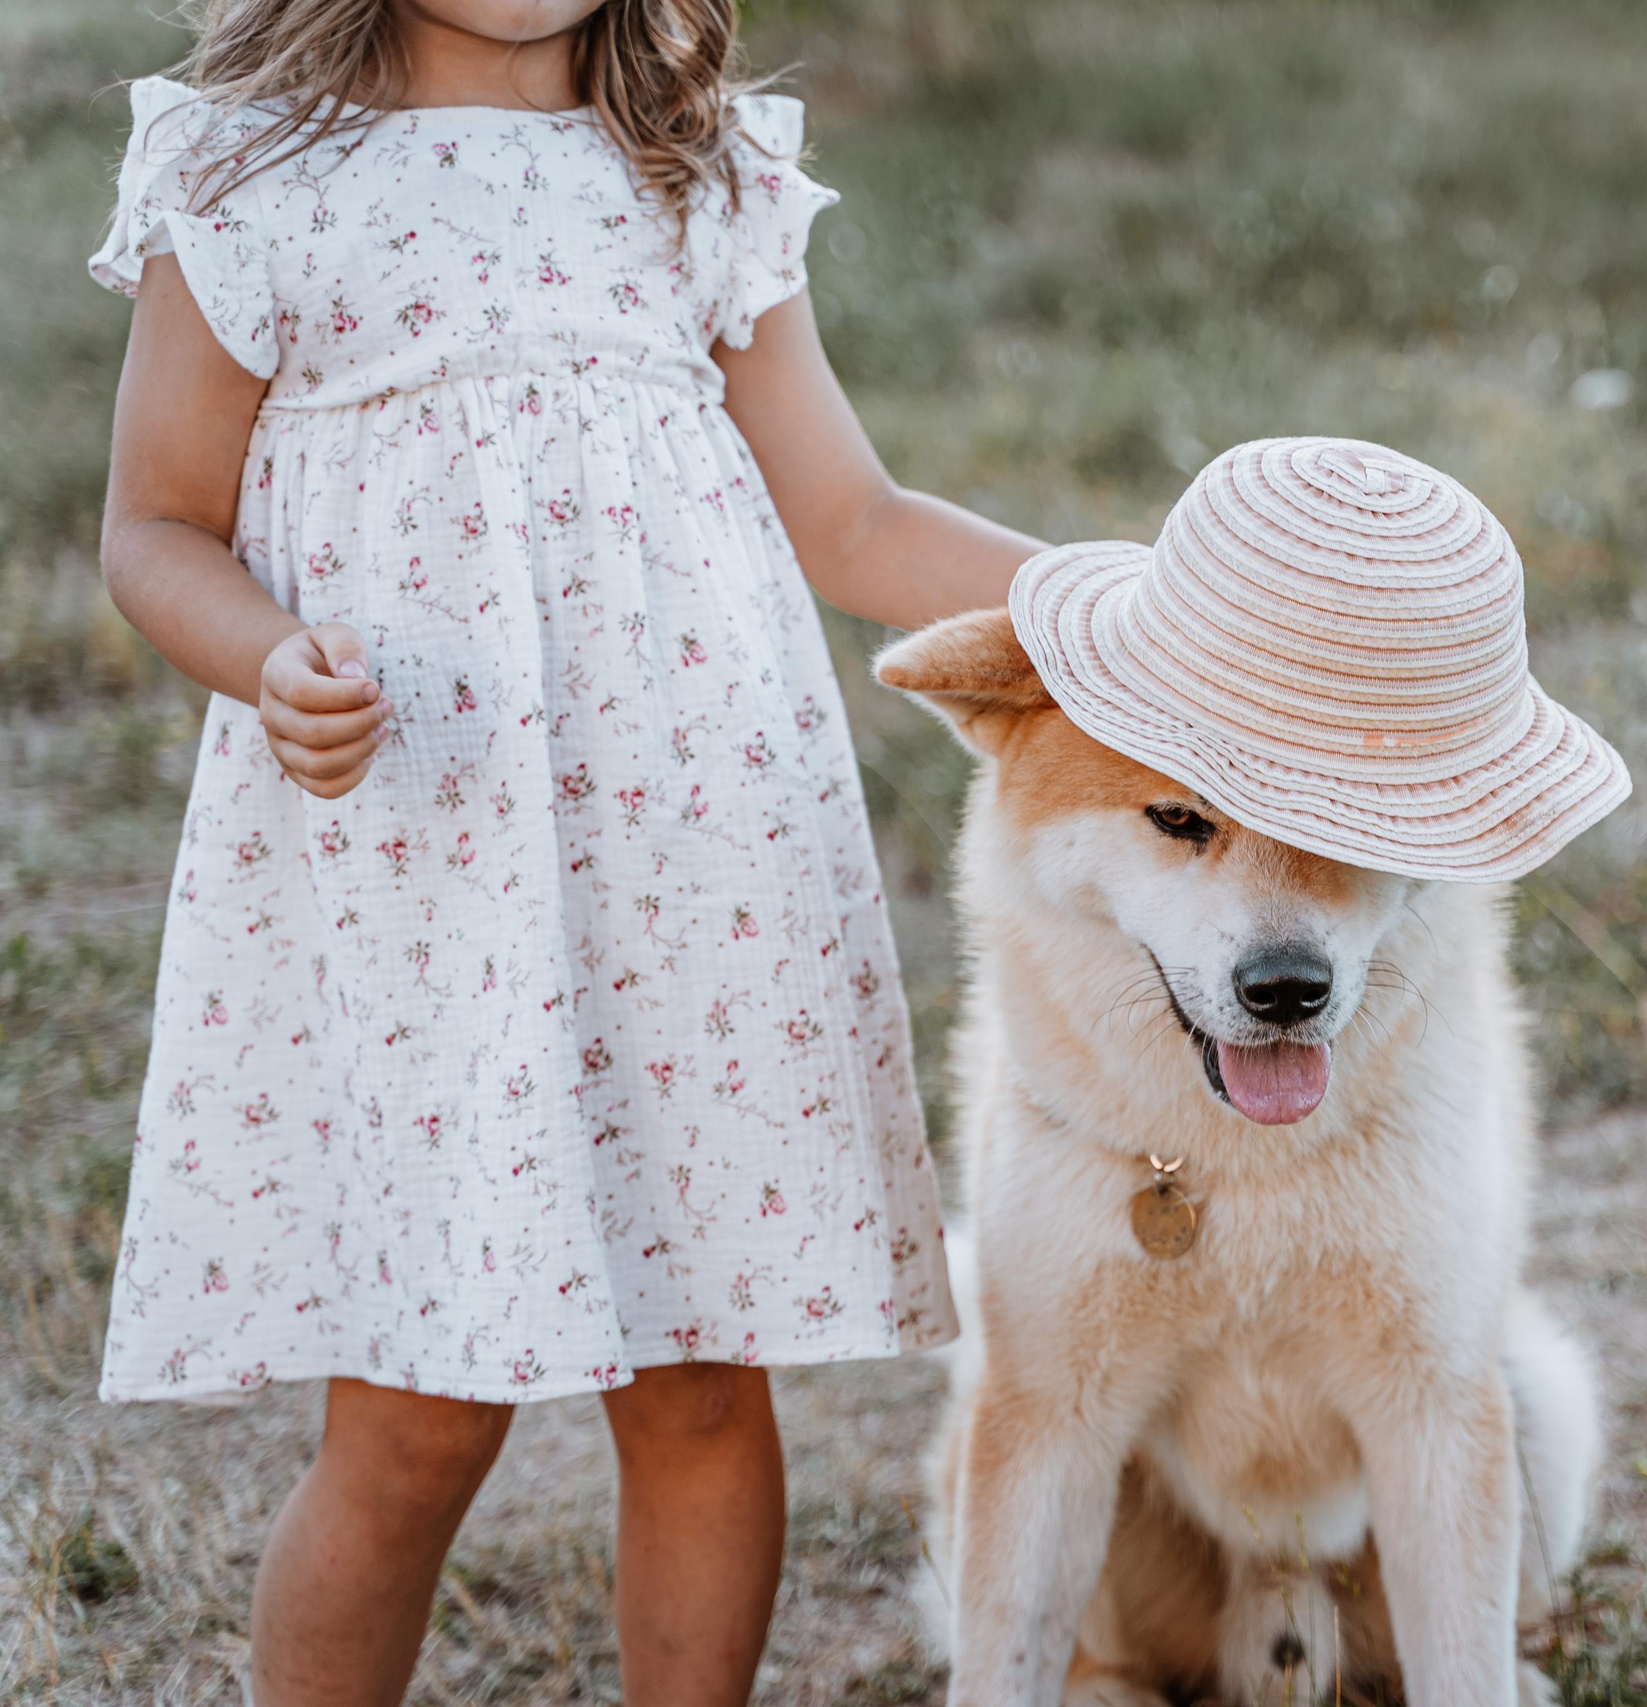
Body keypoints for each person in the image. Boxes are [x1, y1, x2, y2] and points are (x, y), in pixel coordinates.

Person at [88, 2, 1043, 1700]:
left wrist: (1126, 604)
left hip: (698, 863)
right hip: (422, 877)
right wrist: (266, 659)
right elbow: (157, 521)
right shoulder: (253, 169)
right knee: (412, 1420)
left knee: (697, 1377)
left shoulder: (696, 163)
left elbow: (858, 521)